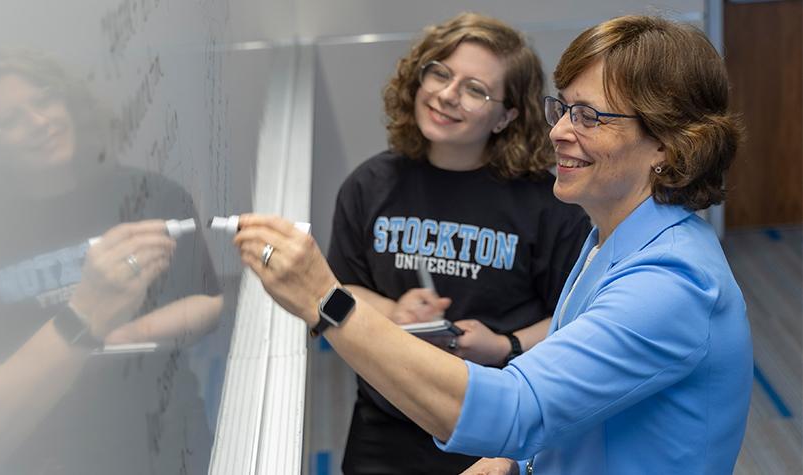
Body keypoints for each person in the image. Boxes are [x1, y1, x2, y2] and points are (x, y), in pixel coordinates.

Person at [235, 14, 753, 474]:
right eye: (564, 109)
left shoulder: (671, 283)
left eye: (590, 117)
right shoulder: (610, 237)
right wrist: (512, 457)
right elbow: (576, 387)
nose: (559, 133)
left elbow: (517, 407)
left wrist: (328, 304)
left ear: (666, 142)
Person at [326, 12, 590, 473]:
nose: (447, 95)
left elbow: (578, 320)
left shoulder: (548, 208)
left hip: (494, 433)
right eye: (440, 73)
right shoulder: (368, 186)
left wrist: (505, 344)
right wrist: (395, 312)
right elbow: (340, 291)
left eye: (475, 89)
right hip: (385, 423)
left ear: (506, 115)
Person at [0, 51, 223, 474]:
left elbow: (207, 302)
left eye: (44, 101)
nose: (40, 123)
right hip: (40, 449)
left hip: (159, 429)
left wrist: (109, 337)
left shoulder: (149, 193)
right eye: (10, 121)